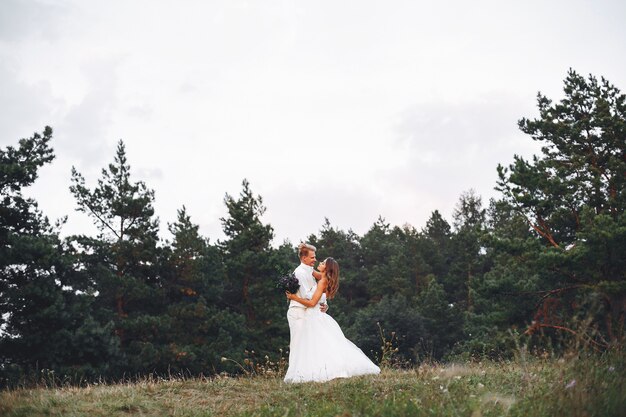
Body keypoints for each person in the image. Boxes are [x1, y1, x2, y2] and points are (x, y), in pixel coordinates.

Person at [284, 254, 380, 383]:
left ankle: (322, 370)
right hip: (316, 315)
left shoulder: (323, 281)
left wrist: (294, 298)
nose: (320, 263)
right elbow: (310, 272)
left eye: (323, 263)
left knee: (314, 345)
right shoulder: (323, 279)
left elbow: (312, 303)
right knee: (319, 345)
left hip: (313, 316)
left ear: (326, 269)